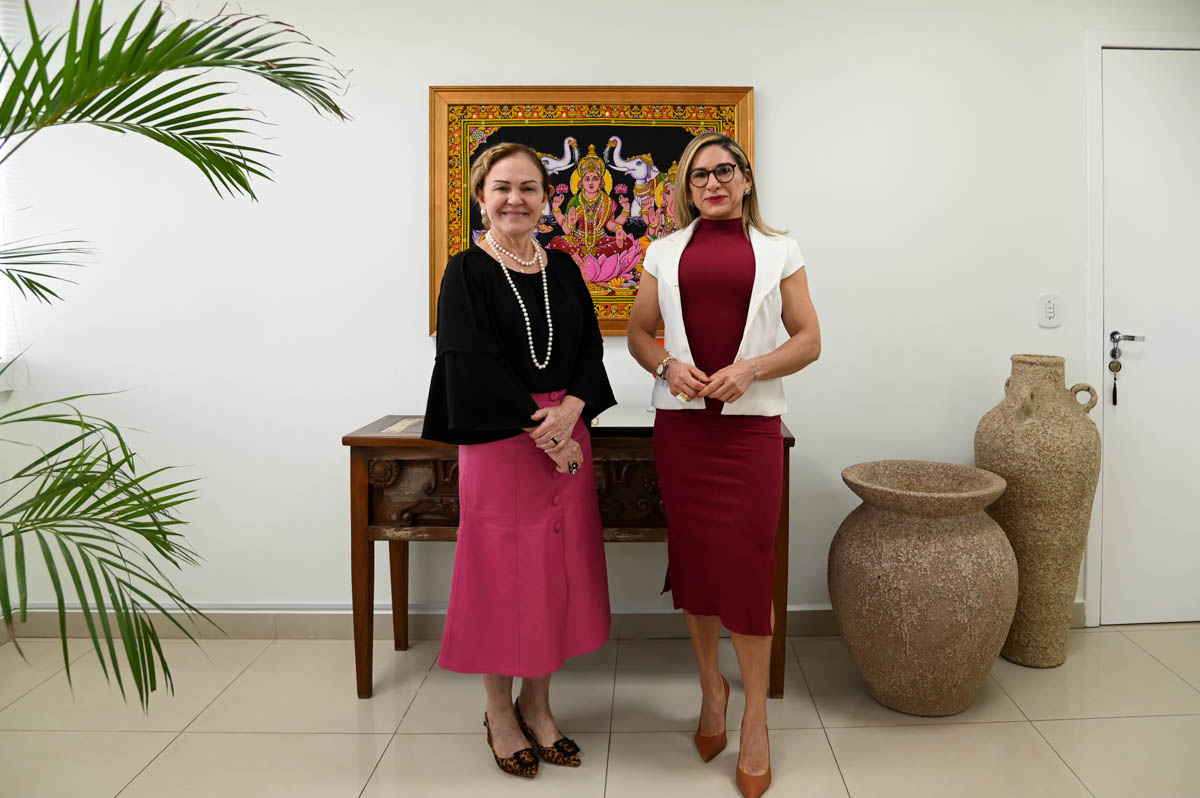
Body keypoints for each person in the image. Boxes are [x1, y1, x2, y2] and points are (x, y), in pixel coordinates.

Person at [626, 133, 821, 798]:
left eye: (724, 171)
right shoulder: (662, 251)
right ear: (687, 187)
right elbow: (639, 333)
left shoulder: (781, 250)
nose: (713, 182)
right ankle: (712, 689)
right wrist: (666, 366)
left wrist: (751, 369)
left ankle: (756, 719)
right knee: (696, 564)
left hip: (749, 435)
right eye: (699, 175)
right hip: (683, 431)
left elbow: (809, 340)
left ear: (745, 178)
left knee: (746, 568)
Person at [423, 141, 617, 779]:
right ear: (481, 197)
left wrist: (573, 411)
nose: (515, 199)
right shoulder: (466, 270)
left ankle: (538, 704)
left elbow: (590, 349)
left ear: (546, 198)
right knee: (503, 578)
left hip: (568, 428)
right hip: (503, 440)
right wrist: (550, 432)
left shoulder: (562, 266)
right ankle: (498, 711)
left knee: (553, 574)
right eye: (502, 187)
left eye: (529, 187)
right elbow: (470, 363)